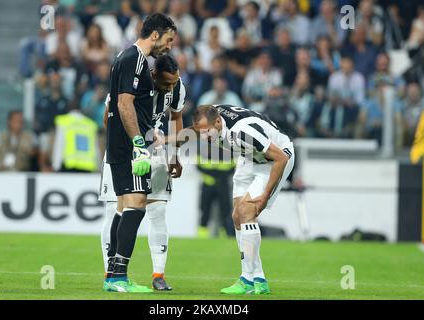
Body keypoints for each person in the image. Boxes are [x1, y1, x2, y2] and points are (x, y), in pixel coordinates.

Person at [104, 13, 176, 293]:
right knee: (136, 205)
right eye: (168, 39)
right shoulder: (135, 59)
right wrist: (138, 142)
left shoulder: (129, 57)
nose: (168, 46)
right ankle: (119, 276)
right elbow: (124, 105)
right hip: (129, 146)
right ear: (155, 35)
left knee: (123, 208)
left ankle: (113, 276)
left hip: (122, 143)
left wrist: (149, 132)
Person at [192, 104, 295, 295]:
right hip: (248, 156)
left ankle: (248, 279)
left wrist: (265, 196)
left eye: (206, 132)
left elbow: (280, 158)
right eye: (200, 133)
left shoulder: (243, 132)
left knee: (246, 212)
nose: (204, 137)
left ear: (217, 122)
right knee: (237, 217)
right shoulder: (210, 115)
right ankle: (258, 278)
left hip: (274, 159)